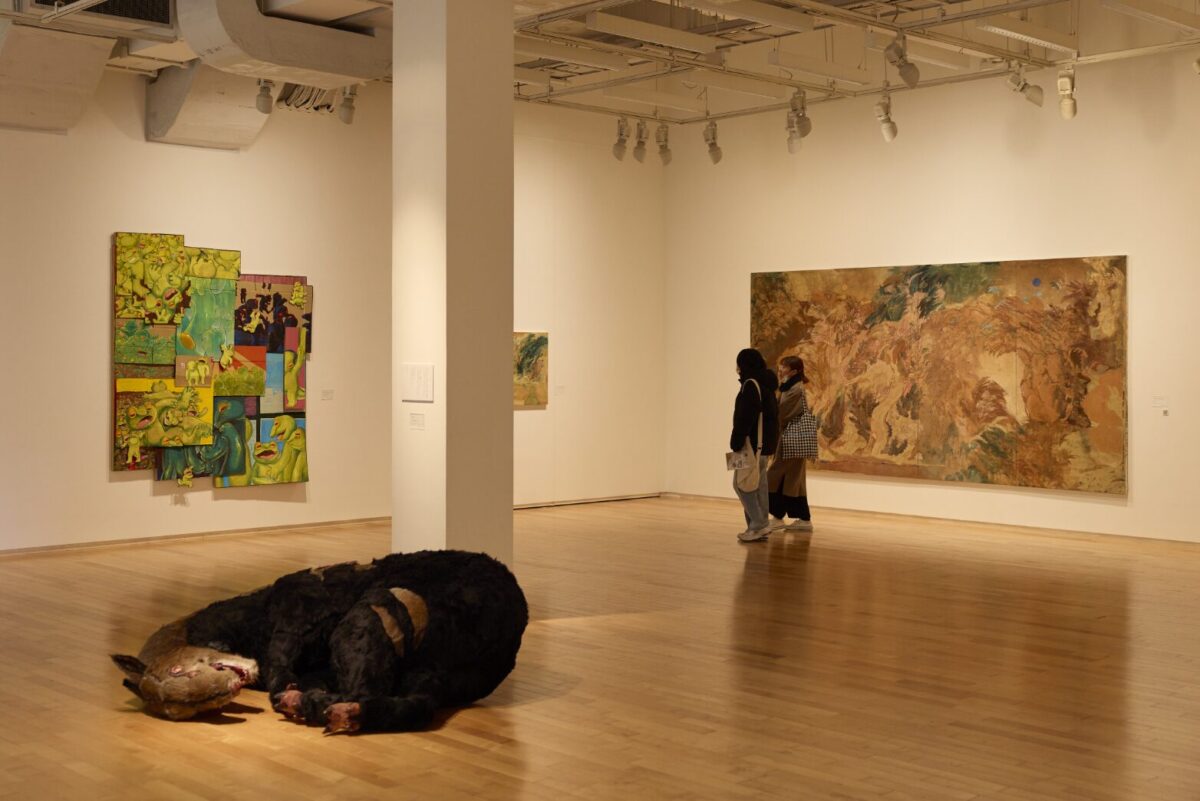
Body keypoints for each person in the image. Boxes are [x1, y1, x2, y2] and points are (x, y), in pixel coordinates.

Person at [730, 348, 779, 543]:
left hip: (749, 444)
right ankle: (758, 527)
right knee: (758, 485)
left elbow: (745, 417)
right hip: (763, 445)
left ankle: (759, 524)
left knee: (741, 484)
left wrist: (736, 441)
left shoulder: (750, 385)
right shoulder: (767, 384)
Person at [768, 355, 814, 531]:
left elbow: (782, 413)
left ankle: (781, 516)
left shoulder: (795, 389)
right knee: (791, 479)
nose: (780, 370)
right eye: (780, 366)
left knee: (776, 475)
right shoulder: (789, 387)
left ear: (794, 371)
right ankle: (789, 517)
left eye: (784, 367)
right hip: (794, 438)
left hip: (793, 439)